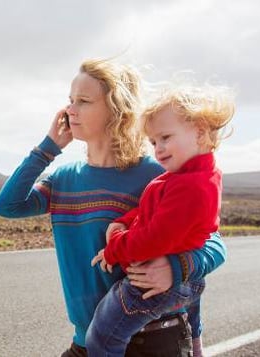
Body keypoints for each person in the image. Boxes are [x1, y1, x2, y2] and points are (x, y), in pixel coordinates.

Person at [0, 59, 227, 356]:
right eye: (70, 100)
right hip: (87, 343)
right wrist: (48, 148)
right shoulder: (63, 179)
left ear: (116, 111)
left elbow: (213, 242)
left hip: (153, 343)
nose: (70, 110)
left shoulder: (157, 174)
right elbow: (8, 206)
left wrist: (176, 267)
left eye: (84, 101)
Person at [86, 82, 235, 356]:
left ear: (200, 133)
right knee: (192, 325)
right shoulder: (187, 175)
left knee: (101, 339)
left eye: (165, 137)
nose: (158, 148)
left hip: (155, 282)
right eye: (154, 142)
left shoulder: (190, 184)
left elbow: (155, 237)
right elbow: (155, 208)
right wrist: (127, 220)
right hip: (186, 280)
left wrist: (114, 248)